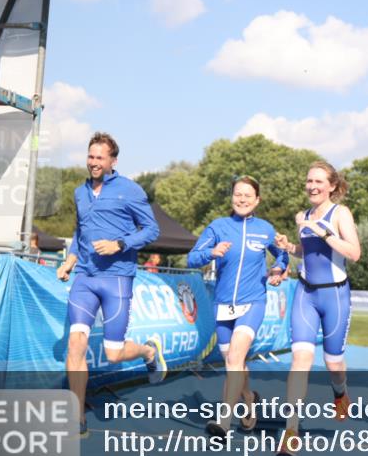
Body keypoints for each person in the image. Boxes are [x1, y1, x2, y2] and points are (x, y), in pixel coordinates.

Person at [56, 132, 164, 438]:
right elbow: (80, 232)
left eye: (99, 158)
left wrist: (120, 243)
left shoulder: (129, 190)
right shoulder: (80, 192)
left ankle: (148, 352)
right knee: (76, 343)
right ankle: (77, 416)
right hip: (85, 278)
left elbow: (151, 229)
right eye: (90, 156)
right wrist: (70, 260)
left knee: (113, 353)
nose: (93, 162)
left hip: (117, 277)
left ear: (112, 161)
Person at [187, 176, 288, 436]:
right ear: (232, 197)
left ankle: (222, 421)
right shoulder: (218, 227)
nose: (242, 199)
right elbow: (192, 258)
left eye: (247, 195)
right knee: (235, 363)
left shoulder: (265, 229)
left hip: (253, 301)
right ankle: (249, 400)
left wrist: (278, 269)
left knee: (234, 357)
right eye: (237, 194)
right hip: (223, 305)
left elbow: (283, 254)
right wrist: (212, 252)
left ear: (257, 200)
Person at [274, 161, 361, 456]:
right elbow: (306, 251)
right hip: (305, 294)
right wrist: (290, 246)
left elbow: (355, 253)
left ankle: (340, 392)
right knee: (300, 360)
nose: (312, 186)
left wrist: (323, 232)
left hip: (335, 296)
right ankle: (291, 430)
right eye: (309, 181)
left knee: (334, 364)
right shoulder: (303, 216)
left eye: (318, 182)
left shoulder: (341, 214)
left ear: (332, 186)